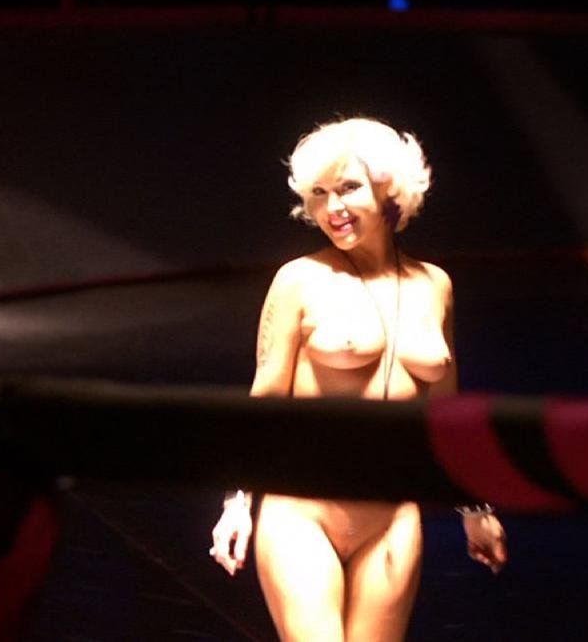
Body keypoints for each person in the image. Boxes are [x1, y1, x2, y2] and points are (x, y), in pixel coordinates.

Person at [209, 117, 507, 641]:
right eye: (319, 194)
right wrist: (237, 503)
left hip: (392, 518)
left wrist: (474, 508)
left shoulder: (434, 285)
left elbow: (446, 410)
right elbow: (263, 402)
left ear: (390, 189)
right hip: (303, 513)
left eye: (348, 188)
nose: (332, 209)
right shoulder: (299, 280)